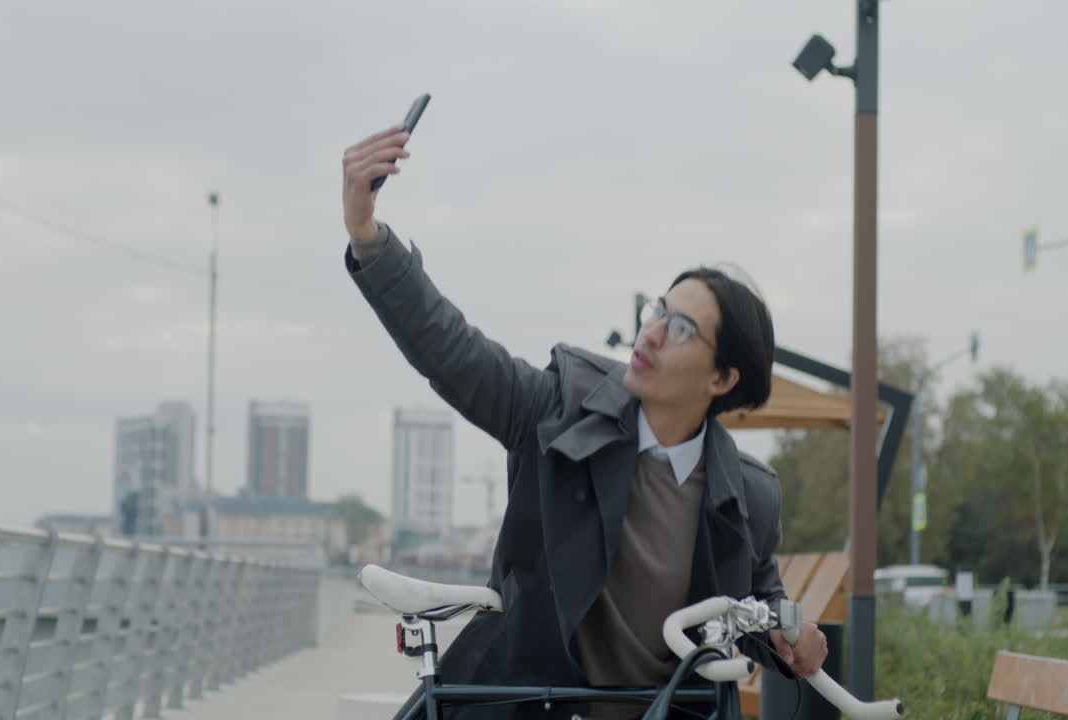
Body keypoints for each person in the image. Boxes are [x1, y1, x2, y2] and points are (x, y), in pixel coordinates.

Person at [341, 124, 828, 719]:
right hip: (532, 706)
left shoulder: (750, 495)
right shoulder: (559, 413)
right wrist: (368, 237)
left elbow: (757, 607)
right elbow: (456, 354)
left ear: (721, 379)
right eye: (658, 311)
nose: (650, 332)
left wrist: (793, 641)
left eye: (679, 329)